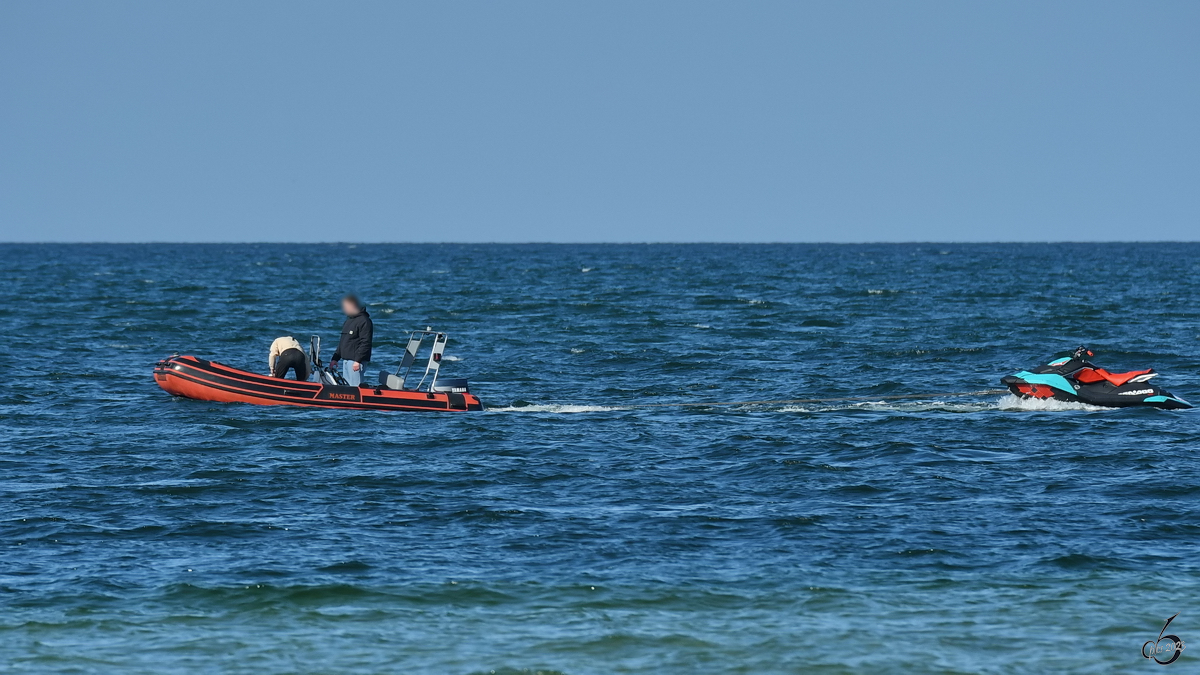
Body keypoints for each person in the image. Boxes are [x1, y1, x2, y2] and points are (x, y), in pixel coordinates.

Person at [330, 294, 373, 386]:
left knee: (356, 388)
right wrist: (335, 359)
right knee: (348, 388)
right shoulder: (348, 321)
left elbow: (365, 342)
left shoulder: (364, 321)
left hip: (355, 362)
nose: (344, 309)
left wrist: (358, 360)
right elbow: (342, 342)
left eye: (346, 306)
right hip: (346, 362)